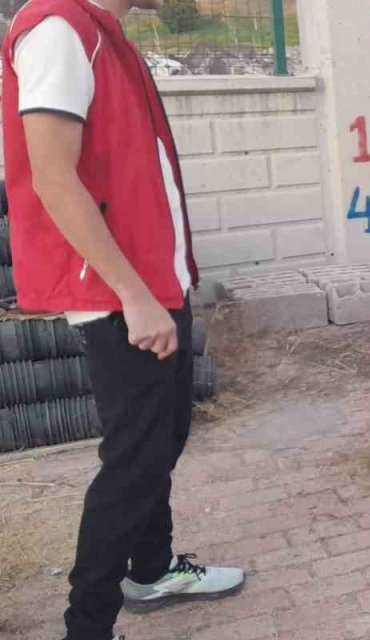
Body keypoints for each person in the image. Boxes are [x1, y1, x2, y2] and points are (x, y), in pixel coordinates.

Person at [1, 1, 244, 638]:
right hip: (119, 292)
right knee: (133, 463)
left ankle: (153, 569)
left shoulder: (109, 37)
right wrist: (133, 295)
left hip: (151, 280)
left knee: (161, 441)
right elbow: (52, 176)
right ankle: (87, 625)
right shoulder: (59, 32)